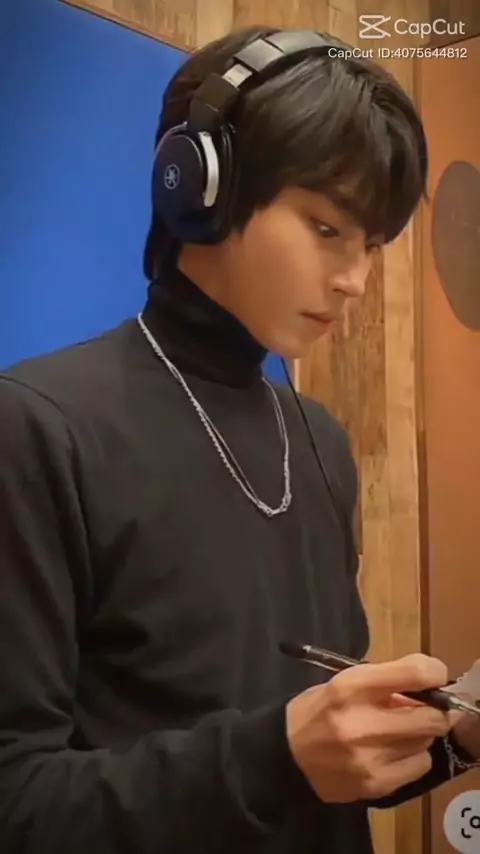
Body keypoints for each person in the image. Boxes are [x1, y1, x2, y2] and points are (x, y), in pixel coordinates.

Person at [0, 25, 479, 854]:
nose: (355, 280)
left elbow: (317, 783)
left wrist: (459, 736)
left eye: (370, 246)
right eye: (326, 228)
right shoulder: (37, 427)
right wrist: (276, 758)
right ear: (201, 189)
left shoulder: (320, 443)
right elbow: (18, 803)